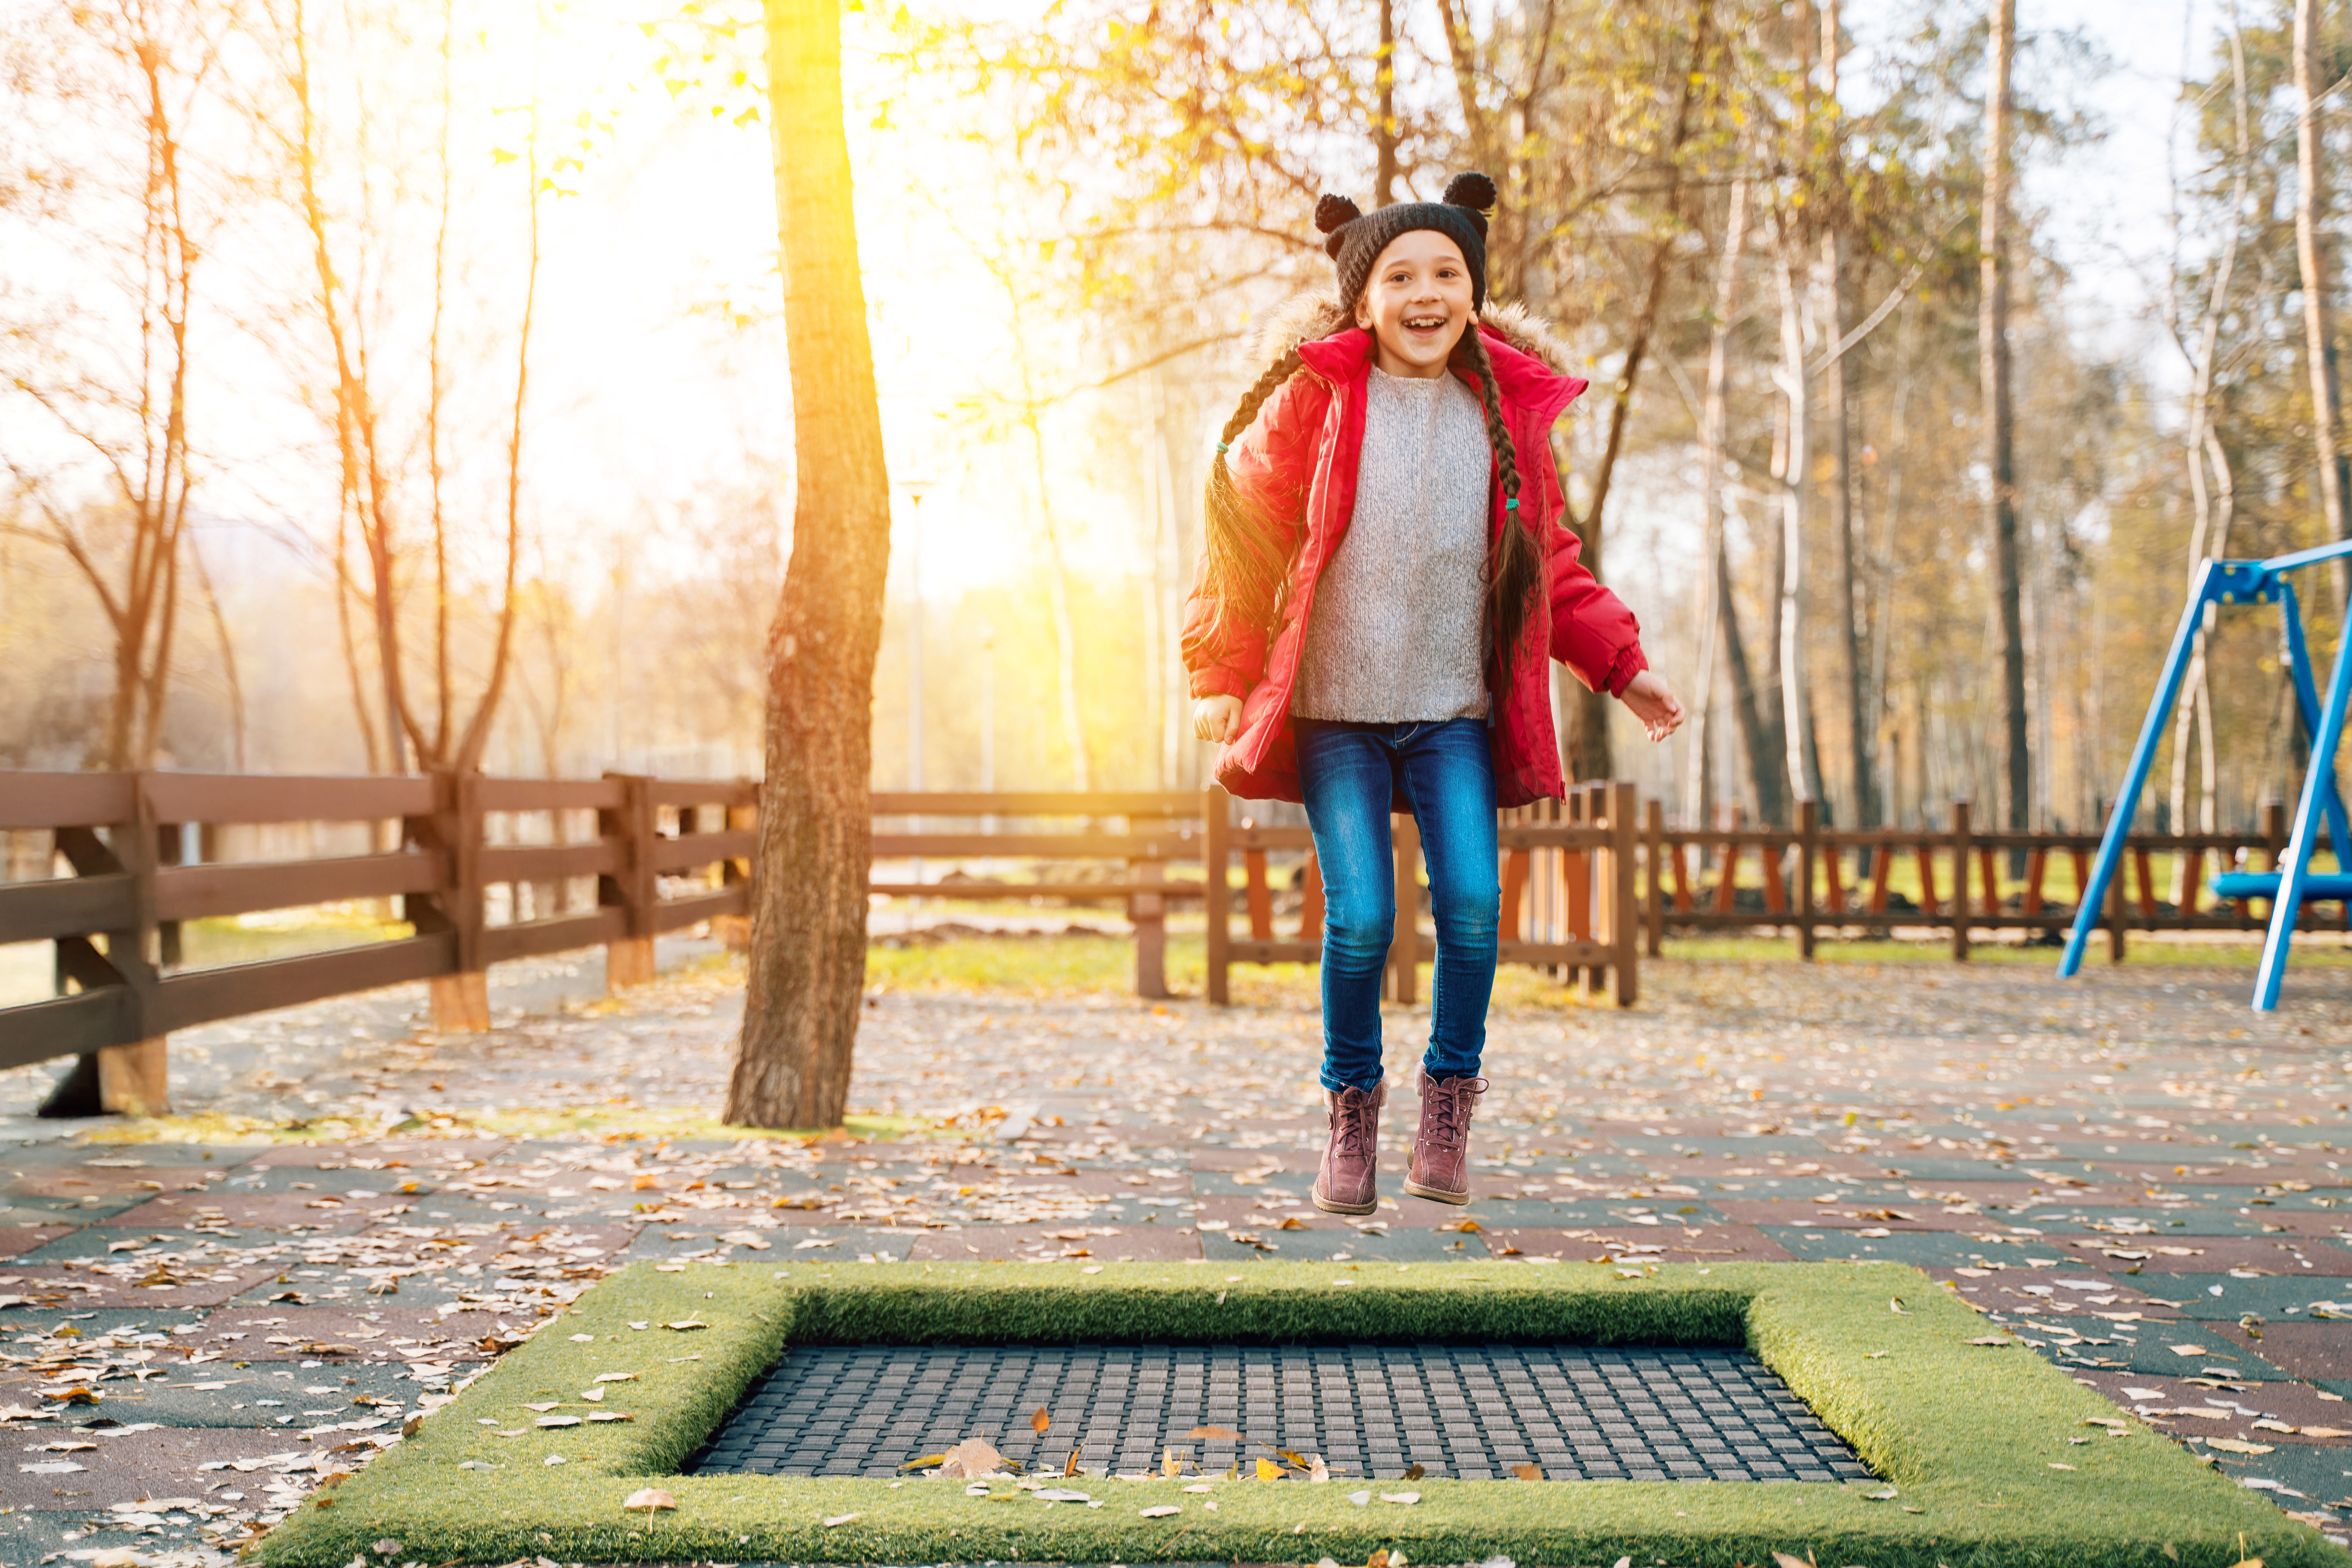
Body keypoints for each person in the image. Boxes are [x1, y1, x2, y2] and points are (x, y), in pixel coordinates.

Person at [1181, 172, 1684, 1216]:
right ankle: (1350, 1113)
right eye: (1400, 275)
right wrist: (1218, 675)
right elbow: (1245, 545)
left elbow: (1549, 563)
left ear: (1473, 290)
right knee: (1359, 918)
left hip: (1451, 712)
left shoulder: (1502, 412)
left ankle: (1448, 1105)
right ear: (1361, 298)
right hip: (1336, 718)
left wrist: (1622, 669)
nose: (1426, 293)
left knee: (1470, 907)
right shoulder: (1316, 403)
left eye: (1446, 273)